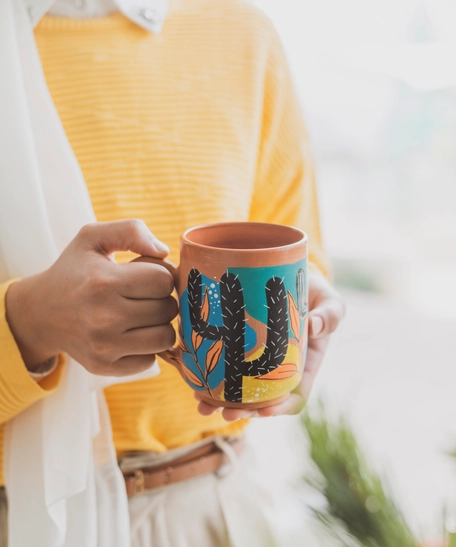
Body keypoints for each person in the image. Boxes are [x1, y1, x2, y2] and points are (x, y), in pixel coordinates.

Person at [0, 0, 345, 545]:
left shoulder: (242, 33)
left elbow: (298, 247)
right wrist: (28, 323)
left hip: (214, 507)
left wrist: (307, 313)